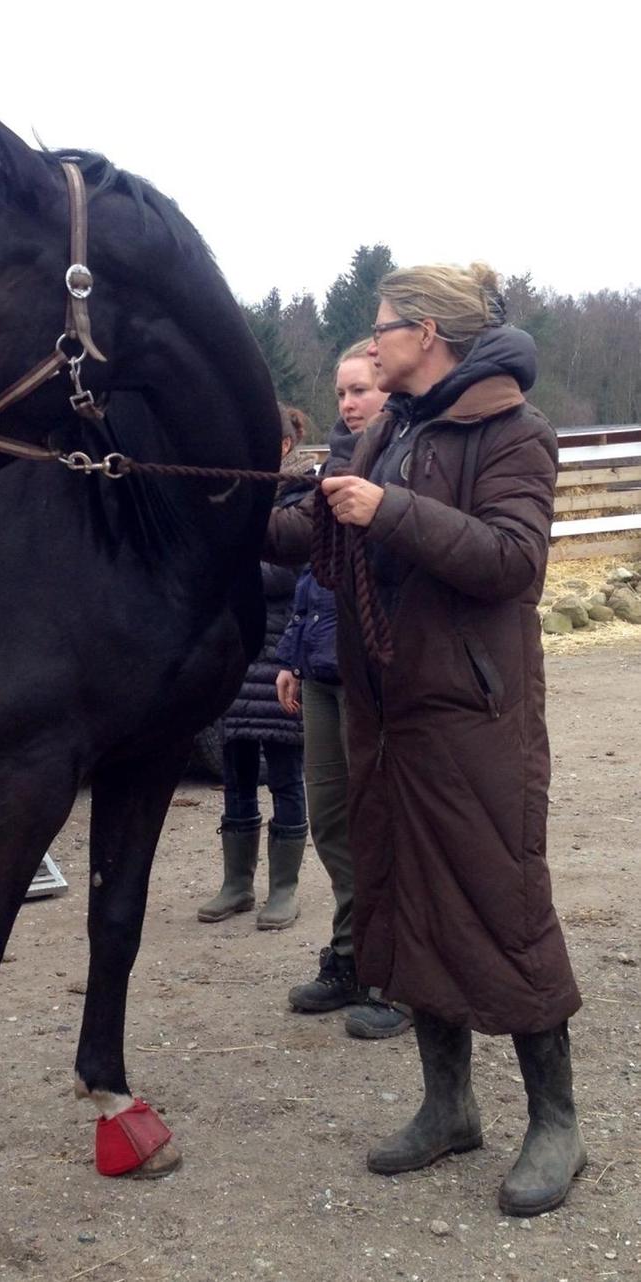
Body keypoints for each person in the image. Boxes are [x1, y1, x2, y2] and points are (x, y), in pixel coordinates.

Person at [319, 262, 584, 1216]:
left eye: (382, 325)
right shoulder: (391, 431)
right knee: (410, 906)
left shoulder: (515, 433)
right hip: (390, 720)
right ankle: (449, 1108)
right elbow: (335, 541)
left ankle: (557, 1121)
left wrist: (390, 510)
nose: (373, 338)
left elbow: (514, 560)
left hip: (475, 721)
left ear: (426, 333)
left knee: (503, 910)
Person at [274, 342, 411, 1039]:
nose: (350, 403)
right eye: (342, 392)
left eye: (362, 389)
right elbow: (309, 570)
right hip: (322, 672)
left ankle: (401, 974)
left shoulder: (402, 463)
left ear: (390, 390)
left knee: (386, 825)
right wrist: (293, 654)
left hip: (378, 675)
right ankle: (354, 956)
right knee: (331, 821)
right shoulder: (330, 470)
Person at [197, 405, 311, 929]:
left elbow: (284, 573)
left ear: (283, 447)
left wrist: (225, 558)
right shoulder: (241, 497)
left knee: (286, 777)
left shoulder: (305, 499)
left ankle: (282, 889)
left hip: (280, 657)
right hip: (238, 657)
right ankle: (236, 883)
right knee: (236, 774)